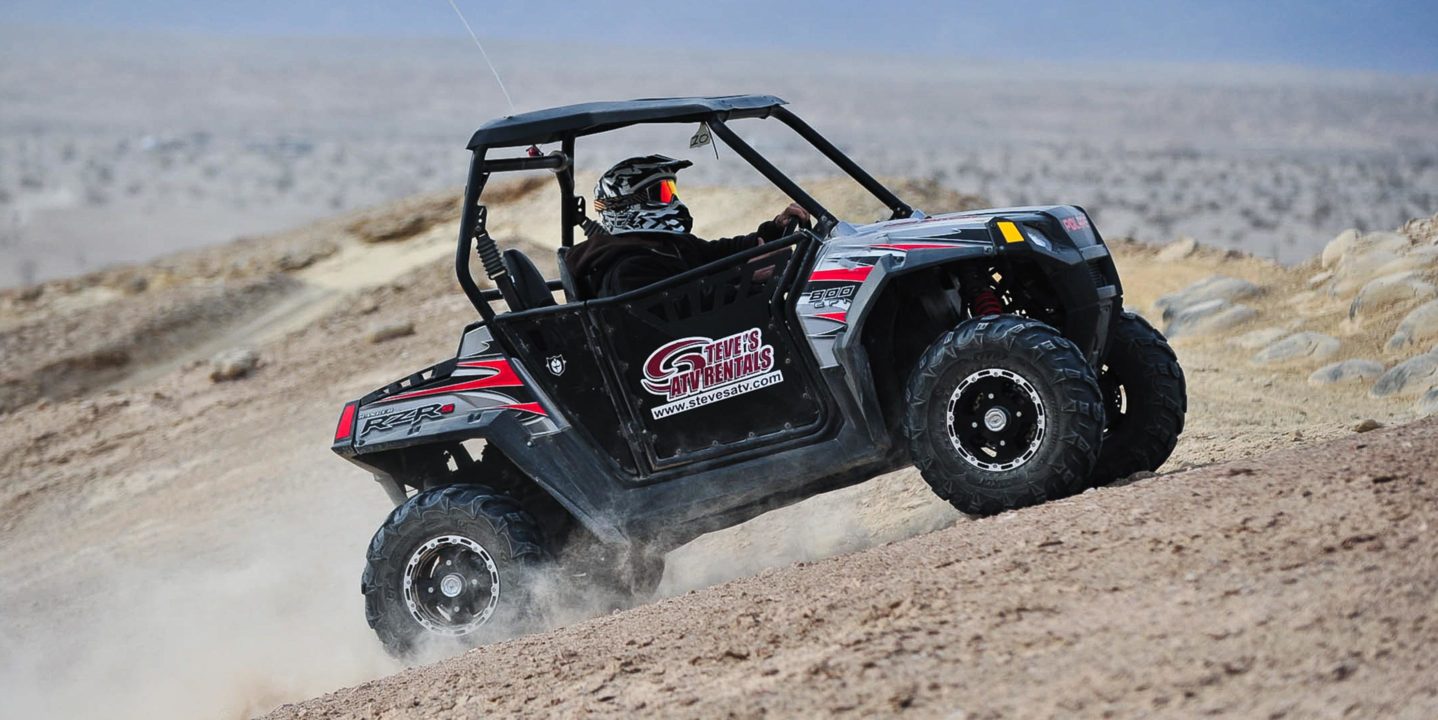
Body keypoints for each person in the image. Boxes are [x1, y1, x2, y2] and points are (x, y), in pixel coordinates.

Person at [564, 155, 809, 297]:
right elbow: (685, 301)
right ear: (625, 204)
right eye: (662, 192)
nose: (673, 200)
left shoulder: (667, 245)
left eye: (673, 190)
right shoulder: (627, 267)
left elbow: (721, 252)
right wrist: (745, 279)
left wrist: (775, 229)